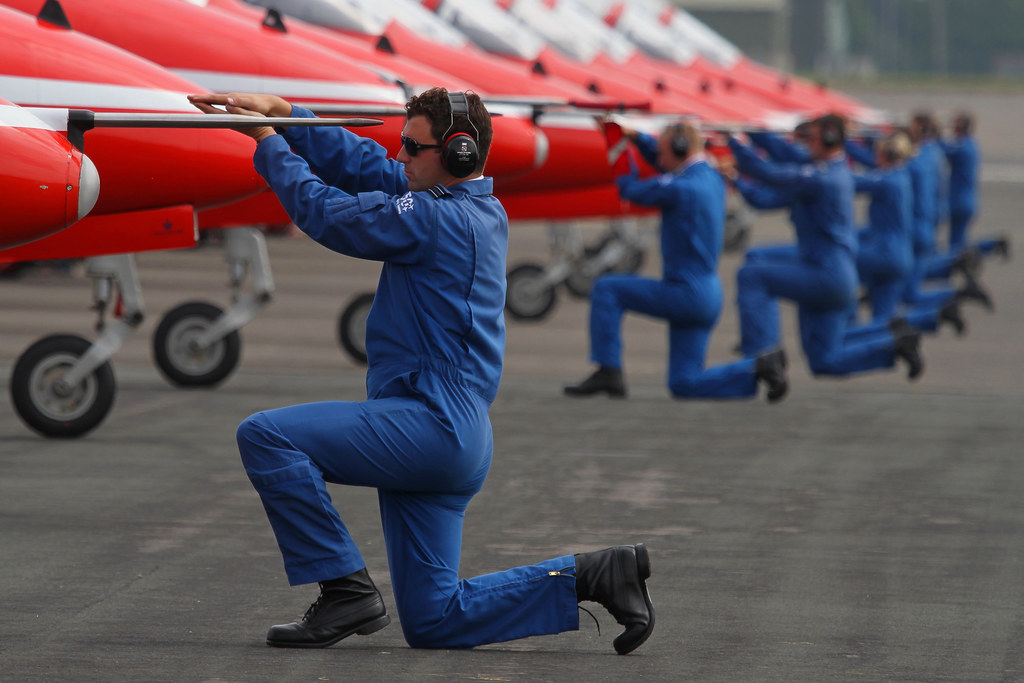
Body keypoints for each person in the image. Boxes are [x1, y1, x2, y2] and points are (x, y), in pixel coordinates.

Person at [188, 88, 654, 654]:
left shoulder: (436, 218)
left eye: (412, 146)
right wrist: (286, 114)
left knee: (266, 436)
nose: (401, 156)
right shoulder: (474, 207)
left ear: (457, 152)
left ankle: (344, 590)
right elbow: (363, 164)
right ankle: (596, 575)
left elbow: (326, 214)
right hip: (454, 437)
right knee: (435, 620)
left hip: (431, 425)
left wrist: (266, 144)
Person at [564, 121, 787, 402]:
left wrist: (616, 143)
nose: (657, 159)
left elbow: (629, 188)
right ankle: (759, 366)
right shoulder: (711, 176)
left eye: (661, 151)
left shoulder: (681, 189)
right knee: (684, 383)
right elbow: (669, 164)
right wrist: (638, 136)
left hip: (686, 294)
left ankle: (608, 369)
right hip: (707, 293)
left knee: (608, 289)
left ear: (679, 149)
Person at [727, 114, 924, 381]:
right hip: (833, 274)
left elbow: (769, 173)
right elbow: (763, 197)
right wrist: (740, 159)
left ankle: (760, 357)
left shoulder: (822, 178)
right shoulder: (824, 175)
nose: (806, 145)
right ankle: (892, 345)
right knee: (823, 361)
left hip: (826, 274)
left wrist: (733, 143)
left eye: (811, 138)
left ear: (829, 139)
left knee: (752, 274)